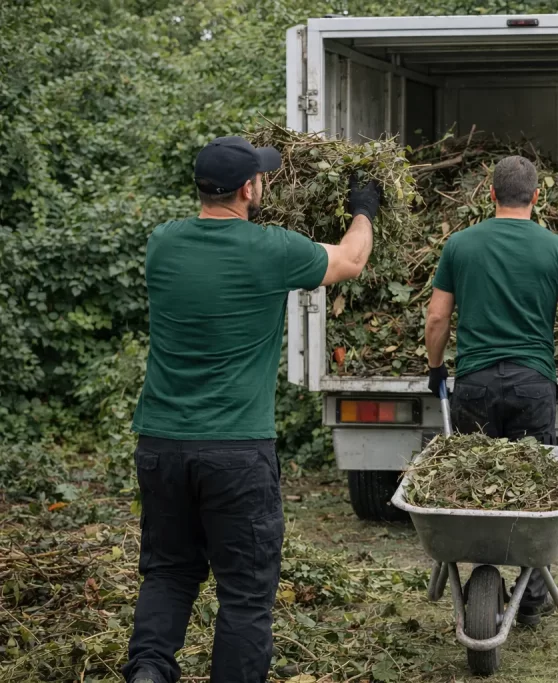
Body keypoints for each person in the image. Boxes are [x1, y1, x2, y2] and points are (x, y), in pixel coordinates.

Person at [123, 136, 381, 683]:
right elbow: (352, 261)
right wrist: (364, 208)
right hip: (236, 452)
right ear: (248, 189)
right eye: (260, 177)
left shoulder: (162, 243)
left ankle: (148, 672)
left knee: (168, 572)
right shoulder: (271, 250)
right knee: (244, 592)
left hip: (161, 445)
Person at [423, 154, 558, 625]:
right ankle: (533, 597)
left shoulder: (460, 246)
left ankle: (477, 569)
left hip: (476, 382)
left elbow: (437, 316)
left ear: (490, 193)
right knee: (536, 493)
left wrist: (436, 367)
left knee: (475, 485)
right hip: (532, 383)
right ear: (536, 197)